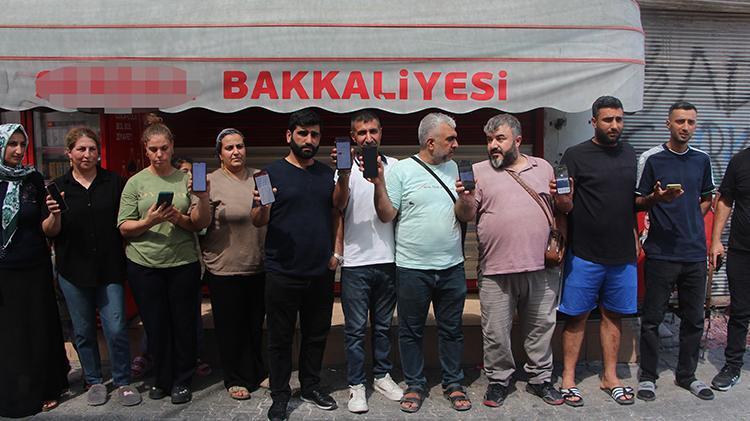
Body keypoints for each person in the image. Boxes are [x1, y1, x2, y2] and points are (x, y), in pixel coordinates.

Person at [463, 114, 572, 408]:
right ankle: (498, 381)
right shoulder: (478, 171)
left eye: (500, 139)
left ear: (518, 141)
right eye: (489, 140)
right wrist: (466, 198)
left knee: (540, 329)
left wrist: (565, 198)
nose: (493, 146)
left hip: (541, 267)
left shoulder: (543, 167)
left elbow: (562, 209)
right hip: (495, 269)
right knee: (496, 332)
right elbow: (467, 215)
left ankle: (540, 379)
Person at [371, 112, 473, 413]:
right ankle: (415, 385)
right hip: (412, 268)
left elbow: (465, 215)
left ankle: (453, 383)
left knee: (451, 329)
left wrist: (467, 199)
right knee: (411, 330)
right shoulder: (402, 170)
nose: (456, 144)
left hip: (452, 266)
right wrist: (378, 184)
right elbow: (387, 215)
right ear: (430, 142)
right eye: (450, 139)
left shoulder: (456, 168)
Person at [42, 127, 141, 407]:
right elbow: (49, 231)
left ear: (99, 152)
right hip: (73, 270)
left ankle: (122, 380)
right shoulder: (59, 186)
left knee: (116, 327)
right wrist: (54, 215)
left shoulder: (114, 182)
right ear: (69, 153)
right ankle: (94, 380)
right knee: (83, 330)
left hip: (109, 268)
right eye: (81, 149)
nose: (87, 154)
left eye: (92, 149)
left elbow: (126, 219)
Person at [251, 109, 338, 421]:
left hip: (320, 271)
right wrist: (263, 205)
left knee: (316, 334)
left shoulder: (328, 175)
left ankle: (311, 386)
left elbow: (336, 214)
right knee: (280, 339)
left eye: (314, 134)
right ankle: (280, 395)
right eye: (302, 134)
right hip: (282, 272)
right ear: (289, 136)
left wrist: (336, 254)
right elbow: (257, 220)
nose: (308, 140)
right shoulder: (268, 174)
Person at [117, 118, 211, 405]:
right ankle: (162, 377)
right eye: (154, 149)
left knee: (183, 324)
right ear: (145, 150)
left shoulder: (185, 179)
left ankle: (182, 379)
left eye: (164, 148)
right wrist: (149, 221)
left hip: (182, 262)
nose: (159, 154)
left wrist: (181, 215)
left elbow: (200, 224)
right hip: (144, 264)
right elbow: (124, 226)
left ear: (172, 148)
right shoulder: (135, 182)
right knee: (156, 325)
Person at [558, 96, 638, 406]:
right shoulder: (576, 155)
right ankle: (568, 378)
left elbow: (631, 201)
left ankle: (610, 377)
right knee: (576, 316)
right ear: (594, 122)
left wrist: (652, 206)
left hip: (622, 254)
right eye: (608, 120)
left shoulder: (630, 153)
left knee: (613, 315)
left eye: (619, 119)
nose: (614, 125)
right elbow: (563, 204)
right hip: (585, 252)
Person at [635, 101, 715, 401]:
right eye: (680, 121)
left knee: (694, 319)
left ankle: (687, 375)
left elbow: (707, 197)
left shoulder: (702, 159)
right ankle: (648, 377)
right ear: (668, 124)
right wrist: (657, 199)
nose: (685, 127)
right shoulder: (652, 158)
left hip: (694, 253)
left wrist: (691, 218)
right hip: (661, 252)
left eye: (690, 122)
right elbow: (637, 201)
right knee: (652, 319)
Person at [330, 110, 403, 413]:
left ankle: (382, 376)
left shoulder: (395, 167)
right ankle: (356, 384)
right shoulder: (342, 170)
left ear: (381, 133)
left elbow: (394, 213)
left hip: (388, 259)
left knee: (383, 326)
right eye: (361, 133)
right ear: (353, 137)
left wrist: (379, 180)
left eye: (373, 131)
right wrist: (344, 173)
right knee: (356, 329)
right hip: (355, 263)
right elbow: (338, 206)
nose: (368, 138)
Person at [0, 123, 69, 417]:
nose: (18, 150)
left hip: (34, 268)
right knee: (10, 335)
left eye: (22, 144)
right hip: (4, 272)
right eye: (12, 144)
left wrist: (55, 214)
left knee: (37, 330)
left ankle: (44, 389)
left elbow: (48, 229)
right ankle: (13, 395)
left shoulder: (33, 179)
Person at [200, 128, 267, 400]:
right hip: (224, 266)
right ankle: (235, 378)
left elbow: (269, 214)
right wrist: (200, 198)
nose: (236, 152)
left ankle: (257, 371)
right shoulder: (210, 181)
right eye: (229, 148)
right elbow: (201, 223)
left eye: (240, 146)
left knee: (255, 324)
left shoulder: (260, 177)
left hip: (258, 264)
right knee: (230, 327)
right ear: (219, 154)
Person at [709, 144, 750, 391]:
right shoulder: (740, 161)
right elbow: (725, 200)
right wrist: (716, 240)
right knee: (740, 311)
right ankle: (733, 365)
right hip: (742, 250)